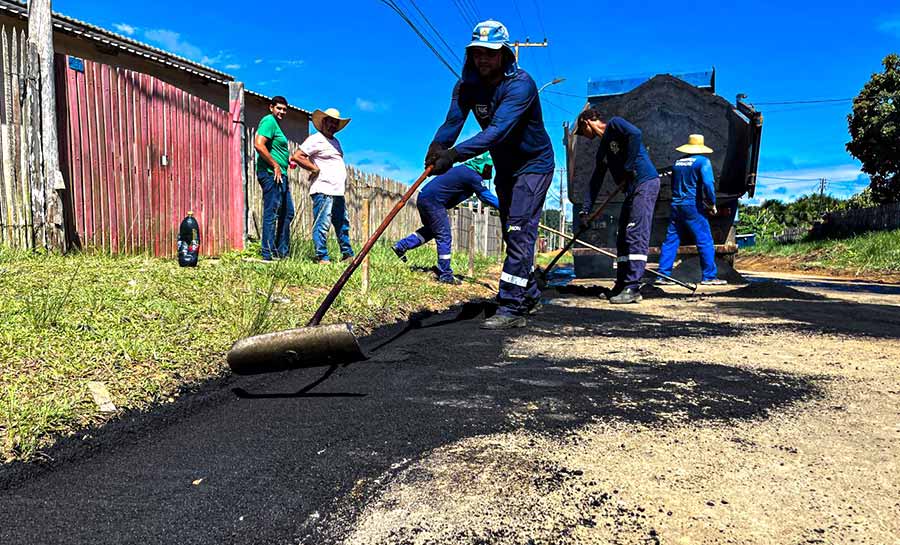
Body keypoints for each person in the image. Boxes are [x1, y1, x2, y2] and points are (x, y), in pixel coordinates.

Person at [425, 19, 555, 329]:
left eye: (490, 52)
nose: (483, 58)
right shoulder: (466, 86)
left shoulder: (520, 84)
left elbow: (496, 132)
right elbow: (452, 124)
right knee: (514, 233)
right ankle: (531, 294)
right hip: (507, 168)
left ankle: (511, 306)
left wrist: (454, 155)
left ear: (504, 54)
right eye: (477, 52)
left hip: (533, 165)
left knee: (519, 230)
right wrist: (438, 146)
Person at [575, 111, 661, 304]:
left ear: (587, 122)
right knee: (622, 237)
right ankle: (622, 284)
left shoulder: (615, 125)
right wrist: (585, 210)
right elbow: (595, 181)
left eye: (582, 131)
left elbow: (636, 134)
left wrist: (629, 166)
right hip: (631, 189)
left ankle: (632, 288)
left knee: (635, 233)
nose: (584, 136)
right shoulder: (603, 150)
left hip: (645, 182)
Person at [393, 153, 499, 284]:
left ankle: (401, 246)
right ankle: (445, 274)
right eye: (490, 168)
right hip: (434, 202)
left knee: (432, 230)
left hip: (424, 198)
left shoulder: (465, 170)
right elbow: (485, 196)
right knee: (444, 235)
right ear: (484, 165)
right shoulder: (472, 175)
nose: (491, 172)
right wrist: (507, 207)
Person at [657, 134, 727, 285]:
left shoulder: (677, 163)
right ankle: (709, 277)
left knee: (671, 240)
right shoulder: (703, 162)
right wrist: (712, 203)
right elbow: (708, 184)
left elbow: (673, 184)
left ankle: (662, 275)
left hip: (676, 205)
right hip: (692, 206)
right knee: (705, 240)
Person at [291, 108, 354, 264]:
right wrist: (314, 168)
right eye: (330, 121)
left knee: (342, 223)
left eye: (335, 122)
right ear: (323, 122)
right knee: (322, 223)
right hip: (323, 189)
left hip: (337, 190)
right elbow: (297, 156)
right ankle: (322, 256)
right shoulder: (316, 139)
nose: (332, 125)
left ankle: (347, 254)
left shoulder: (335, 142)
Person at [254, 96, 295, 261]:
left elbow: (274, 149)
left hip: (280, 175)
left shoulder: (275, 125)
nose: (282, 112)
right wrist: (275, 164)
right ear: (271, 107)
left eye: (284, 109)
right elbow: (258, 144)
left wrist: (286, 161)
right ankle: (267, 254)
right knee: (272, 212)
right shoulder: (269, 121)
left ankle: (281, 253)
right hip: (271, 174)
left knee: (287, 212)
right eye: (279, 108)